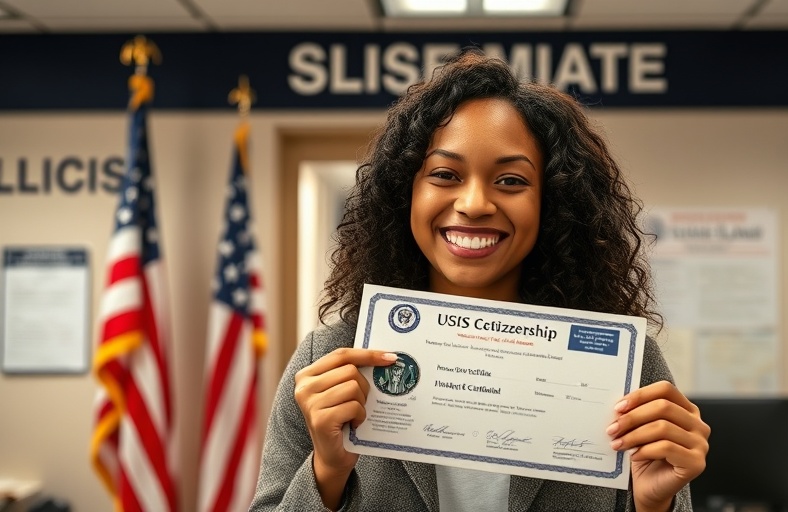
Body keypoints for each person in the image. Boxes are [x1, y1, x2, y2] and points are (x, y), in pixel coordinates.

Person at [249, 49, 710, 512]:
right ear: (405, 194)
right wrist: (326, 472)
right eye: (445, 174)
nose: (473, 203)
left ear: (552, 204)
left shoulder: (626, 369)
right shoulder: (330, 363)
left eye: (510, 181)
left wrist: (656, 507)